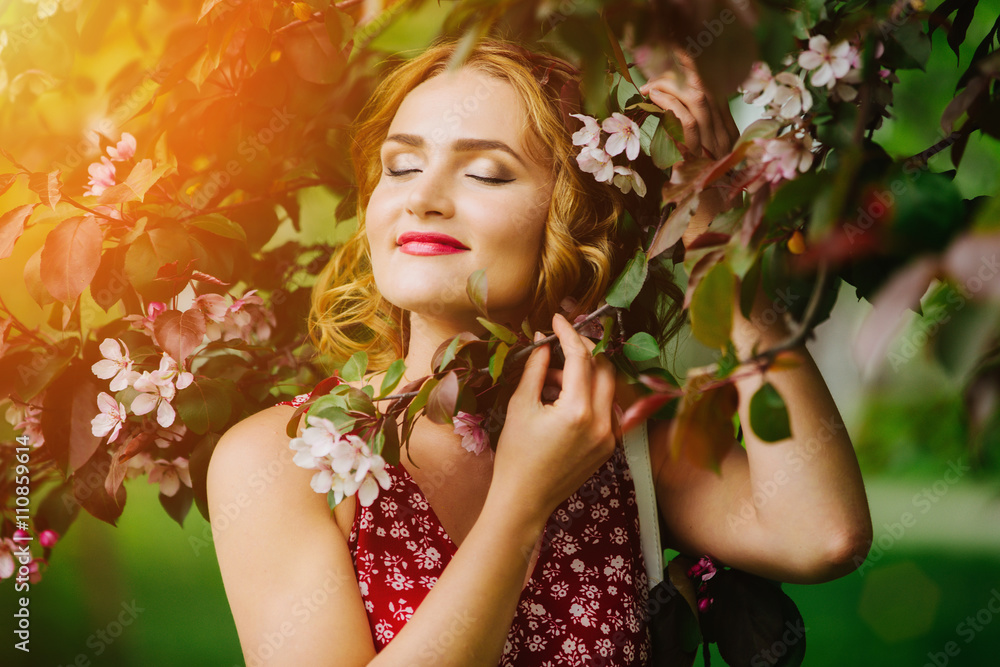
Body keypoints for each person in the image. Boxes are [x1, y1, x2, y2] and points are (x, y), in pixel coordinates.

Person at [207, 35, 873, 666]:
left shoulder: (615, 430)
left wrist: (722, 242)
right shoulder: (285, 458)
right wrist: (522, 501)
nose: (423, 198)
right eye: (401, 165)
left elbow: (822, 534)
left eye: (488, 173)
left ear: (575, 217)